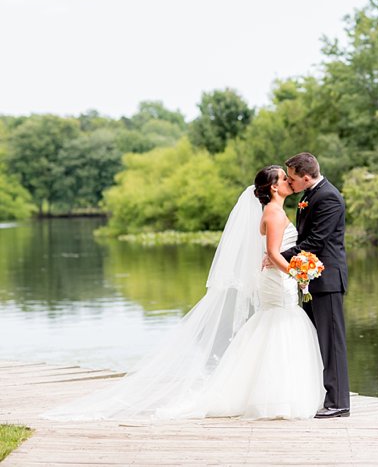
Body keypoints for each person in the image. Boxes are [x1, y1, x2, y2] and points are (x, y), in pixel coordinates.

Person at [43, 165, 325, 421]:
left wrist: (292, 271)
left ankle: (274, 396)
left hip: (279, 280)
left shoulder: (277, 211)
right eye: (283, 178)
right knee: (278, 327)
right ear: (274, 187)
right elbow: (273, 253)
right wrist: (296, 272)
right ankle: (276, 399)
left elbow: (270, 253)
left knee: (275, 329)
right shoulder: (273, 213)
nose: (289, 181)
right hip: (279, 281)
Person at [281, 152, 350, 418]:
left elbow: (315, 241)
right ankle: (322, 395)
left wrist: (278, 257)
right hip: (311, 279)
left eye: (292, 178)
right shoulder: (308, 195)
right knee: (314, 341)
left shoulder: (329, 197)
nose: (290, 182)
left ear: (306, 177)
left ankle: (339, 403)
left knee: (332, 343)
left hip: (328, 279)